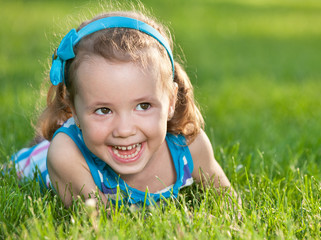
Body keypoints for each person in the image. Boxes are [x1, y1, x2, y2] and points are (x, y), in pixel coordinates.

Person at [12, 8, 241, 209]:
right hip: (51, 160)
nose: (124, 130)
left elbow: (228, 200)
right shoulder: (66, 156)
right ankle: (40, 144)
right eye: (103, 110)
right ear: (73, 110)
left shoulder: (189, 146)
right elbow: (100, 221)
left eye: (143, 106)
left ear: (171, 101)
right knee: (39, 152)